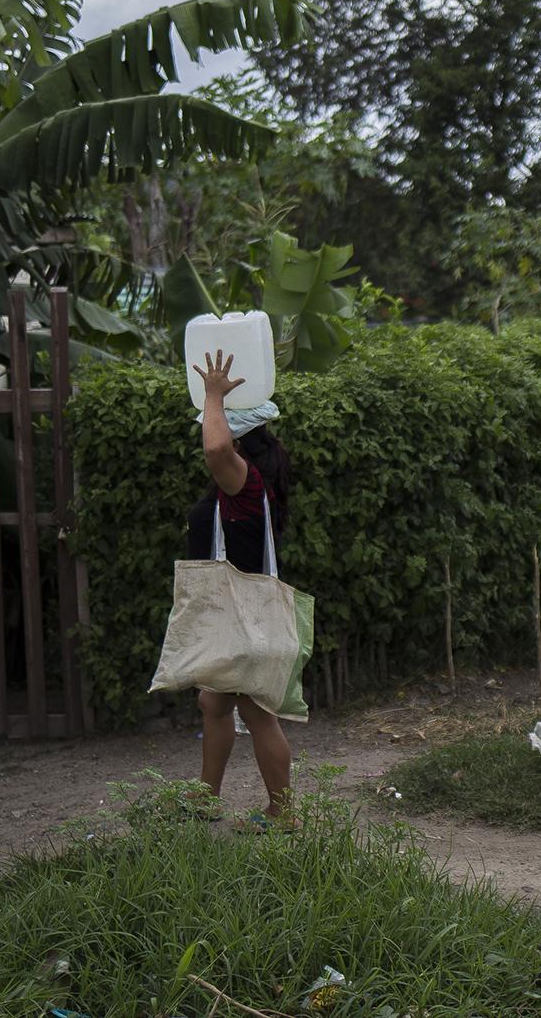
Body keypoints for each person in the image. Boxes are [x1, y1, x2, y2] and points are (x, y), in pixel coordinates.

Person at [187, 349, 296, 822]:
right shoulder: (245, 486)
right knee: (214, 701)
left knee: (255, 711)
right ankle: (206, 799)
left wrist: (214, 394)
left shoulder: (244, 484)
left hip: (245, 615)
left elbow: (215, 449)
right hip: (235, 613)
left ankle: (283, 811)